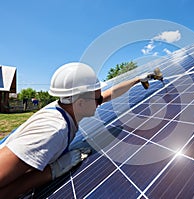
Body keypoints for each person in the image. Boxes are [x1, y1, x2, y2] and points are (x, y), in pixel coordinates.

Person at [0, 62, 160, 198]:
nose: (101, 102)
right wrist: (52, 171)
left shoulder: (66, 106)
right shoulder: (52, 131)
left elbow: (109, 94)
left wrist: (137, 80)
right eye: (97, 99)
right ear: (81, 103)